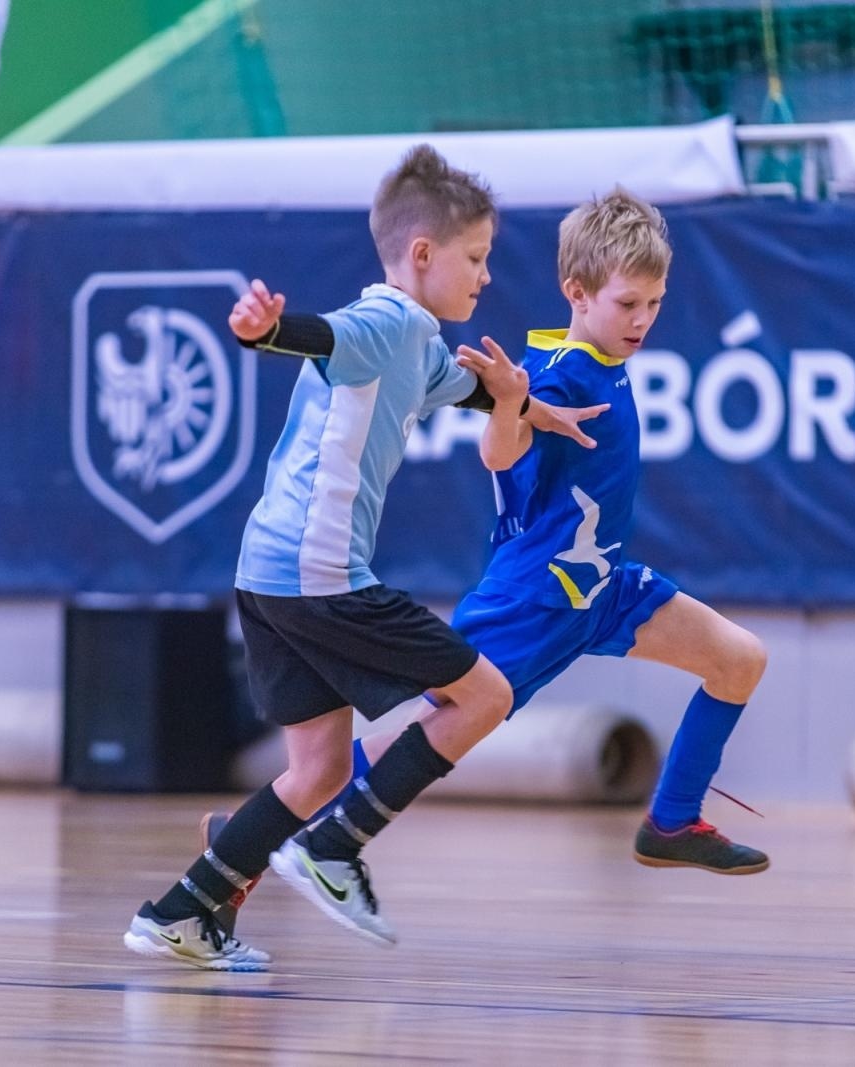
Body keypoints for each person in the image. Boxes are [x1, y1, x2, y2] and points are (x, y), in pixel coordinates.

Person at [209, 189, 771, 942]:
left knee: (739, 660)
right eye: (628, 303)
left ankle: (671, 822)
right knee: (380, 756)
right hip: (535, 598)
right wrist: (509, 408)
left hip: (602, 589)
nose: (642, 320)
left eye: (655, 304)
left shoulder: (600, 358)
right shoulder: (556, 375)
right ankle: (238, 849)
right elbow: (497, 453)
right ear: (577, 292)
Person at [121, 146, 605, 972]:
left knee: (313, 769)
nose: (486, 277)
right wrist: (268, 329)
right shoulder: (384, 323)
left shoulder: (418, 343)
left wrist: (527, 405)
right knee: (484, 693)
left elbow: (471, 389)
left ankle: (181, 912)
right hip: (319, 575)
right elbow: (323, 337)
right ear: (423, 255)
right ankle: (336, 848)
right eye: (477, 258)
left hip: (268, 572)